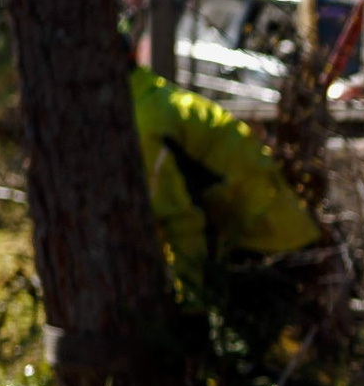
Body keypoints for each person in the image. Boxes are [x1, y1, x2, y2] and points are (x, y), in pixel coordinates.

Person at [127, 63, 326, 360]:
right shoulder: (149, 94)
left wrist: (192, 306)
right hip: (270, 229)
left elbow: (184, 222)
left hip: (263, 241)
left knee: (254, 364)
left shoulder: (143, 122)